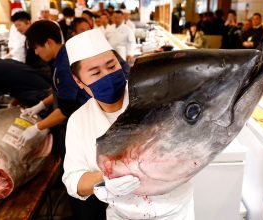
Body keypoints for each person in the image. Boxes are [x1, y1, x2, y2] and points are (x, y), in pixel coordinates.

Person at [63, 29, 194, 220]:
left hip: (173, 212)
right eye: (95, 72)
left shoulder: (154, 96)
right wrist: (104, 180)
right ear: (78, 81)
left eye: (111, 65)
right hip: (122, 215)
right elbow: (73, 181)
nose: (106, 75)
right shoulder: (79, 121)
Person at [17, 20, 90, 153]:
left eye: (36, 47)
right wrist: (41, 105)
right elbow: (61, 90)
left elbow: (65, 110)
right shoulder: (61, 56)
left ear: (49, 43)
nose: (36, 53)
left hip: (85, 121)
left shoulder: (64, 65)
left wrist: (37, 127)